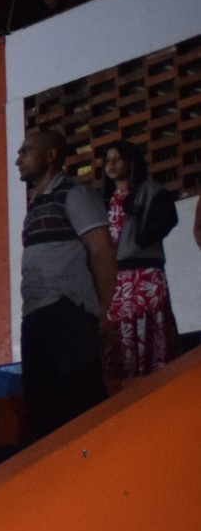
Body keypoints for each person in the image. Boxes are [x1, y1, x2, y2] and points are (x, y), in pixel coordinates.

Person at [16, 128, 116, 438]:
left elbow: (101, 250)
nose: (18, 159)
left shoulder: (76, 193)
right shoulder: (33, 206)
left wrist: (103, 310)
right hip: (35, 313)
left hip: (67, 310)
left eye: (26, 151)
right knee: (44, 413)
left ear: (51, 156)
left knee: (83, 405)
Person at [97, 138, 180, 377]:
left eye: (117, 159)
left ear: (131, 162)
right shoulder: (102, 200)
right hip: (115, 279)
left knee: (148, 328)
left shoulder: (152, 191)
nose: (111, 164)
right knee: (119, 334)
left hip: (146, 275)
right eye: (107, 160)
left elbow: (166, 220)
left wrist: (143, 237)